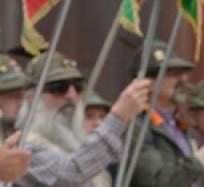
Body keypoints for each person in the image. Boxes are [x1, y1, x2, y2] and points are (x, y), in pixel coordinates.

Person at [15, 51, 152, 187]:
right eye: (59, 87)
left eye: (78, 86)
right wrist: (118, 117)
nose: (71, 95)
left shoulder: (80, 142)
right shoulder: (24, 147)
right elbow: (71, 175)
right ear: (31, 98)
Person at [133, 46, 204, 187]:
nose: (183, 79)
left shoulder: (180, 126)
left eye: (182, 73)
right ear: (149, 82)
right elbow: (156, 181)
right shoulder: (136, 125)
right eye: (173, 73)